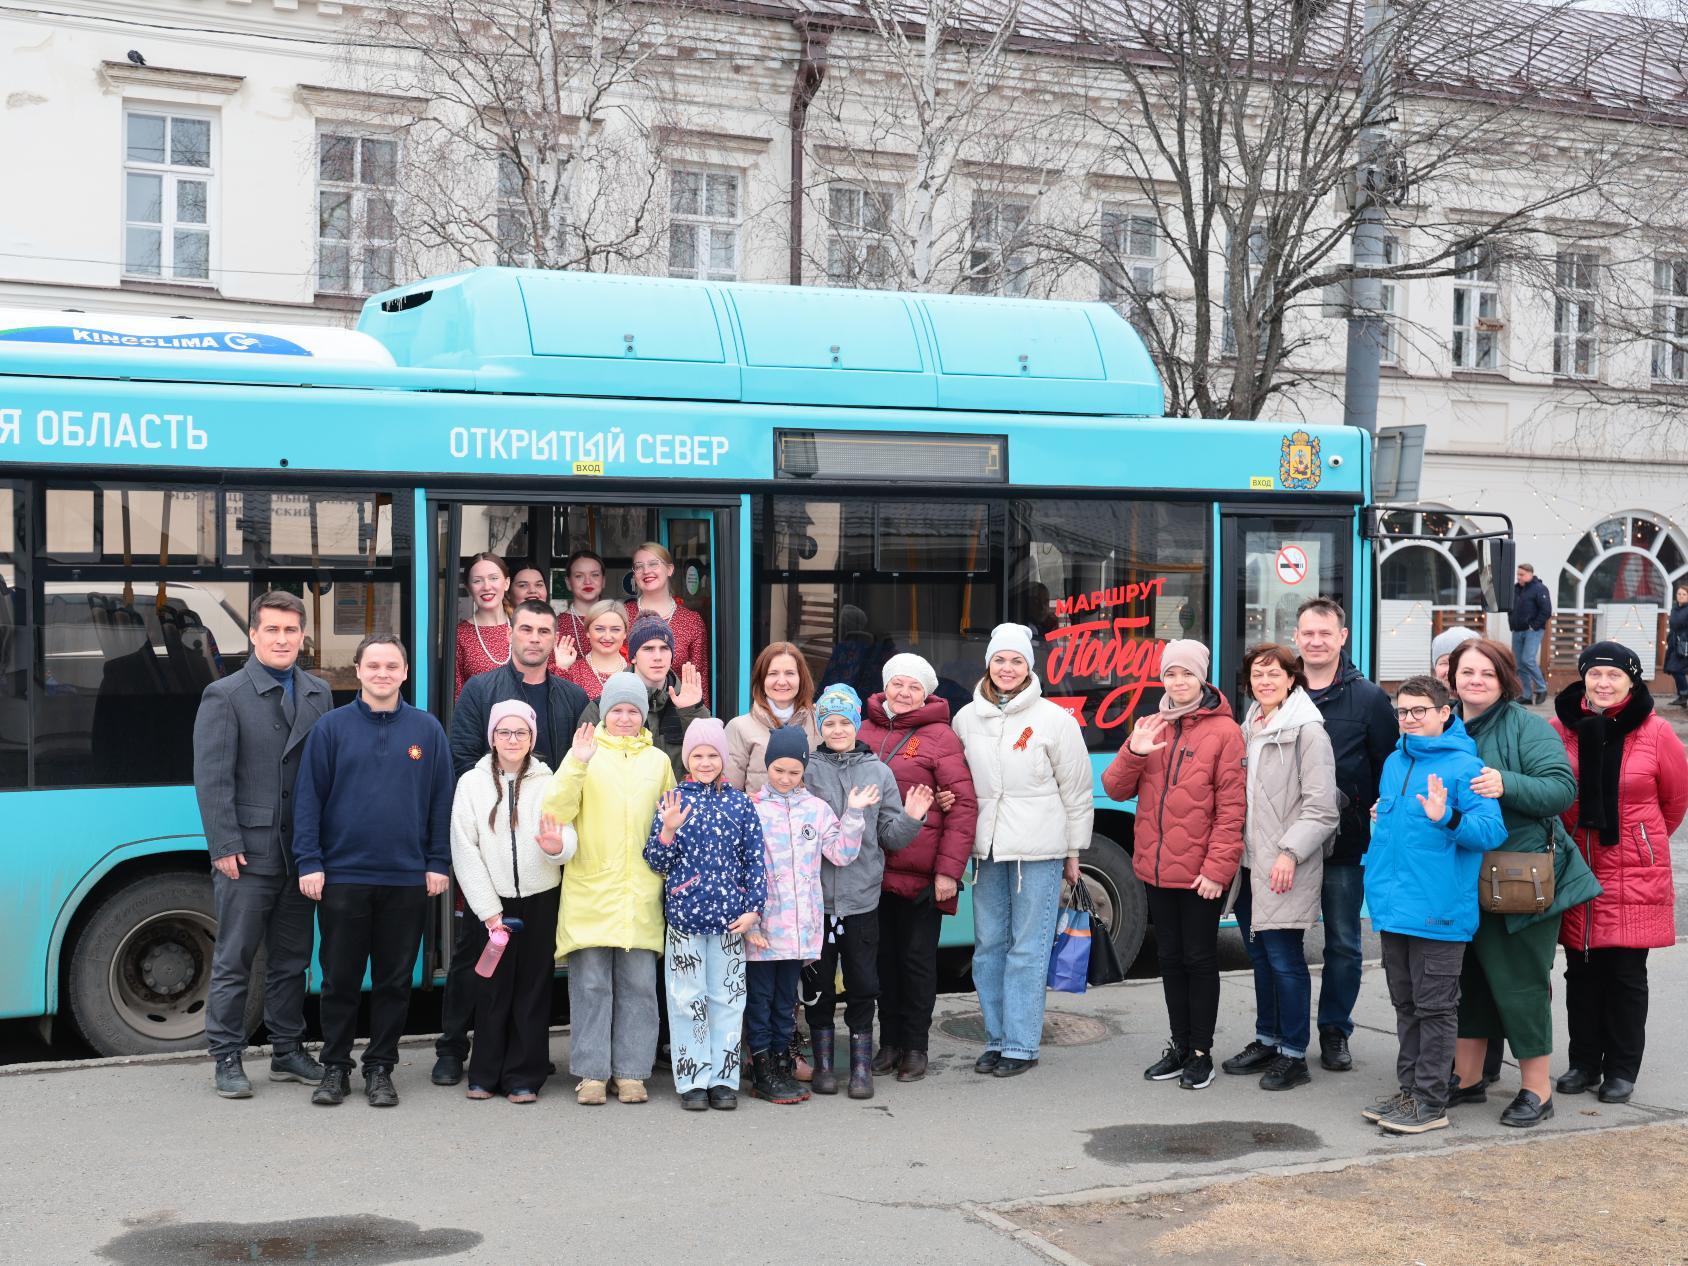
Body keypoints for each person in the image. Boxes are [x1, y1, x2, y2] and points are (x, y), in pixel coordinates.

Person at [294, 634, 453, 1108]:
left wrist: (437, 862)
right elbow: (308, 800)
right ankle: (335, 1069)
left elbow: (441, 801)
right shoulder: (330, 729)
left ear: (405, 673)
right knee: (339, 980)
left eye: (392, 666)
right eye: (373, 666)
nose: (382, 673)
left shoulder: (427, 731)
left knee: (393, 982)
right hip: (343, 876)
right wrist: (310, 862)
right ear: (358, 671)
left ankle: (381, 1068)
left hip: (407, 880)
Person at [1446, 638, 1598, 1128]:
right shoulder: (1443, 723)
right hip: (1458, 875)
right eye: (1467, 672)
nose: (1475, 681)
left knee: (1521, 985)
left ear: (1505, 679)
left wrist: (1504, 782)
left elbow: (1560, 790)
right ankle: (1466, 1079)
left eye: (1486, 674)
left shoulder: (1528, 728)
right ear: (1452, 678)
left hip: (1519, 878)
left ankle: (1537, 1089)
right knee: (1467, 979)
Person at [437, 600, 589, 1087]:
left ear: (553, 637)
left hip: (544, 860)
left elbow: (571, 776)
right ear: (511, 634)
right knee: (474, 960)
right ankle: (452, 1047)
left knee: (532, 971)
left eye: (545, 630)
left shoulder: (570, 695)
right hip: (492, 852)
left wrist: (550, 837)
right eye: (526, 628)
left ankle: (527, 1057)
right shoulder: (481, 689)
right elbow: (463, 754)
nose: (535, 638)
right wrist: (495, 816)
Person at [192, 591, 333, 1099]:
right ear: (253, 634)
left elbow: (324, 777)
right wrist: (224, 843)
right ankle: (226, 1056)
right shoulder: (225, 694)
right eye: (271, 630)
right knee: (235, 958)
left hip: (301, 854)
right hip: (247, 854)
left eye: (290, 630)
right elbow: (212, 778)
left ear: (302, 637)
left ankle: (287, 1050)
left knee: (292, 959)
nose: (281, 639)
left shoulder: (318, 692)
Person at [1360, 675, 1507, 1134]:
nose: (1409, 720)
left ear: (1446, 712)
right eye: (1402, 712)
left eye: (1419, 711)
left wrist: (1447, 817)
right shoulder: (1393, 762)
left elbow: (1490, 832)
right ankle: (1410, 1092)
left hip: (1440, 910)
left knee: (1435, 1007)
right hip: (1392, 905)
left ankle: (1430, 1100)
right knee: (1405, 1004)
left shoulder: (1467, 767)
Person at [1104, 638, 1244, 1091]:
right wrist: (1134, 752)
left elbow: (1231, 811)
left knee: (1200, 960)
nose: (1178, 681)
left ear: (1201, 678)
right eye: (1170, 674)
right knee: (1170, 958)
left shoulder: (1226, 732)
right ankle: (1179, 1045)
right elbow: (1115, 789)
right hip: (1156, 869)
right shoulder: (1149, 724)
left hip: (1202, 874)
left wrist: (1217, 871)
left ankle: (1202, 1053)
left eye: (1186, 673)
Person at [1550, 641, 1688, 1104]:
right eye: (1596, 674)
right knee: (1580, 971)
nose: (1603, 683)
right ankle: (1584, 1062)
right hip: (1575, 866)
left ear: (1632, 681)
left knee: (1626, 974)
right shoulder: (1560, 729)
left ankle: (1622, 1068)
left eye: (1614, 676)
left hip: (1633, 869)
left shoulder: (1656, 732)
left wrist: (1641, 841)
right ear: (1583, 678)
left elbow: (1674, 801)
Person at [955, 623, 1093, 1079]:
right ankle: (995, 1038)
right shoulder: (966, 718)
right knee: (989, 947)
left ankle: (1021, 1043)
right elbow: (957, 784)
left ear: (1029, 666)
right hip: (987, 850)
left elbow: (1076, 791)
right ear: (988, 664)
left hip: (1039, 850)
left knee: (1027, 948)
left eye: (1017, 660)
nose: (1007, 668)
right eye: (1000, 660)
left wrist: (1074, 850)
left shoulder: (1055, 720)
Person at [541, 674, 675, 1106]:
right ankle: (592, 1073)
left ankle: (632, 1072)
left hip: (640, 892)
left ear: (642, 716)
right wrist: (577, 762)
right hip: (590, 890)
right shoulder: (584, 754)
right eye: (616, 710)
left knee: (639, 986)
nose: (623, 717)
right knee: (591, 986)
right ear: (603, 713)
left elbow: (670, 824)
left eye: (632, 710)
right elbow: (555, 811)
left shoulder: (658, 762)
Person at [802, 683, 932, 1099]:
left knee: (862, 981)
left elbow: (890, 836)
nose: (837, 729)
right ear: (820, 726)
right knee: (818, 984)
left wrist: (912, 818)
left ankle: (861, 1066)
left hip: (861, 900)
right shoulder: (807, 769)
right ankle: (823, 1064)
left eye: (845, 722)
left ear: (857, 724)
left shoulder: (878, 771)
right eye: (830, 722)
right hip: (816, 901)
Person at [1219, 644, 1338, 1093]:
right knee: (1260, 958)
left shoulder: (1307, 731)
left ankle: (1294, 1054)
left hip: (1286, 865)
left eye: (1274, 674)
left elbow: (1323, 809)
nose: (1264, 682)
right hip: (1250, 865)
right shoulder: (1250, 724)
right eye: (1256, 674)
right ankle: (1267, 1039)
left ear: (1292, 679)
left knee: (1286, 960)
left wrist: (1289, 852)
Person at [857, 652, 979, 1083]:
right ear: (885, 686)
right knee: (881, 963)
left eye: (914, 687)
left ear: (927, 694)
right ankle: (887, 1043)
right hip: (871, 874)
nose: (905, 693)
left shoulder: (941, 737)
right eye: (898, 684)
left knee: (917, 962)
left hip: (923, 877)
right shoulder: (863, 729)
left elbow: (962, 806)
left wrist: (949, 871)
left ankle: (915, 1047)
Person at [1293, 596, 1397, 1074]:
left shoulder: (1370, 699)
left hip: (1344, 843)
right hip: (1285, 843)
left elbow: (1388, 769)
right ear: (1296, 637)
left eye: (1324, 633)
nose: (1315, 641)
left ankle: (1335, 1030)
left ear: (1342, 637)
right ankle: (1282, 1032)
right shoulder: (1278, 690)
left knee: (1342, 943)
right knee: (1280, 940)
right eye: (1307, 633)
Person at [448, 700, 569, 1103]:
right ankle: (484, 1073)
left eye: (520, 732)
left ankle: (524, 1076)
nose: (512, 739)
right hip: (491, 902)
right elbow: (464, 849)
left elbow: (569, 837)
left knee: (533, 988)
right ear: (492, 737)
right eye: (504, 732)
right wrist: (488, 910)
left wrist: (557, 849)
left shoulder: (550, 782)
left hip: (540, 897)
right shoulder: (472, 783)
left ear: (532, 738)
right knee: (491, 988)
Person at [642, 718, 766, 1111]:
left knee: (728, 999)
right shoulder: (673, 801)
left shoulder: (740, 803)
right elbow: (655, 861)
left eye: (713, 754)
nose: (706, 761)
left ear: (724, 759)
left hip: (731, 922)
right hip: (684, 920)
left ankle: (723, 1080)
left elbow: (755, 861)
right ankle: (692, 1079)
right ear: (688, 758)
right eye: (698, 754)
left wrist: (754, 910)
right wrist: (667, 831)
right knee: (685, 1001)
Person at [744, 725, 871, 1104]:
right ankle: (762, 1065)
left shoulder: (816, 810)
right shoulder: (752, 807)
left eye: (793, 772)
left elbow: (842, 854)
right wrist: (751, 920)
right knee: (760, 1000)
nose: (785, 778)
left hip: (800, 932)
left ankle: (783, 1062)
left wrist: (854, 813)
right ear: (768, 766)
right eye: (778, 770)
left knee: (787, 1002)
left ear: (803, 771)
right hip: (763, 930)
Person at [580, 614, 709, 781]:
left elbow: (711, 760)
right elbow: (581, 768)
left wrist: (692, 711)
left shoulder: (688, 702)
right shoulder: (601, 707)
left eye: (664, 648)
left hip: (677, 804)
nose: (657, 656)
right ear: (633, 656)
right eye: (648, 649)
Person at [456, 555, 575, 697]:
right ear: (469, 588)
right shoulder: (460, 635)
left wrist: (562, 667)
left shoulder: (531, 628)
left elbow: (555, 691)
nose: (487, 586)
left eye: (494, 578)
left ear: (506, 583)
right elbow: (458, 697)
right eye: (477, 581)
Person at [726, 641, 819, 794]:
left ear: (801, 678)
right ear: (761, 679)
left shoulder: (820, 724)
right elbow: (729, 794)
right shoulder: (739, 727)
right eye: (773, 673)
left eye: (790, 673)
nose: (781, 682)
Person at [626, 541, 709, 698]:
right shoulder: (622, 616)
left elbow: (700, 680)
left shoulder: (691, 621)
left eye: (653, 564)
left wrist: (699, 720)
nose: (646, 571)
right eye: (639, 566)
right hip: (627, 712)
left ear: (670, 569)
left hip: (676, 714)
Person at [564, 599, 631, 701]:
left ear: (625, 633)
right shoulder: (573, 672)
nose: (607, 637)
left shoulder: (636, 672)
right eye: (599, 629)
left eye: (615, 629)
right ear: (588, 632)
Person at [1511, 564, 1553, 705]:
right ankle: (1527, 695)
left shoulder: (1539, 589)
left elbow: (1546, 610)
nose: (1519, 577)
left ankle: (1542, 688)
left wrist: (1534, 626)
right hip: (1517, 630)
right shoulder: (1516, 589)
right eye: (1518, 574)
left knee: (1527, 659)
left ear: (1530, 574)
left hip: (1532, 631)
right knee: (1519, 664)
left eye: (1521, 574)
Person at [558, 550, 608, 656]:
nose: (587, 581)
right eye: (579, 576)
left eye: (594, 575)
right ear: (568, 583)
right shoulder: (556, 625)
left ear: (603, 581)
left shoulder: (618, 621)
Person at [1664, 584, 1688, 708]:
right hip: (1674, 643)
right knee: (1674, 669)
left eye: (1684, 594)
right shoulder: (1674, 609)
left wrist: (1684, 637)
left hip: (1684, 644)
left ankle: (1684, 694)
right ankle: (1682, 696)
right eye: (1679, 594)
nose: (1681, 596)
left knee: (1676, 669)